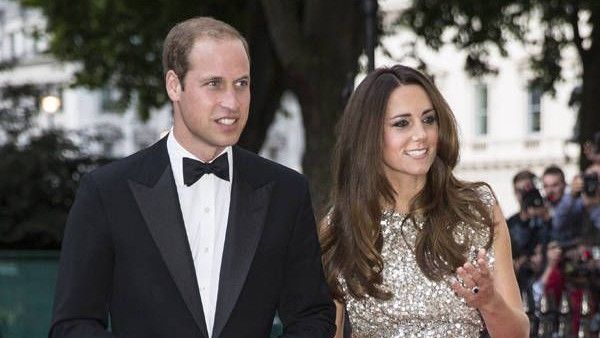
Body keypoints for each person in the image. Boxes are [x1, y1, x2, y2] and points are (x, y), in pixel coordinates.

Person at [49, 17, 335, 338]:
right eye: (214, 83)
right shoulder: (107, 192)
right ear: (174, 85)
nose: (232, 102)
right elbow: (73, 324)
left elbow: (312, 315)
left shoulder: (286, 191)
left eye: (241, 83)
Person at [319, 65, 529, 337]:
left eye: (428, 120)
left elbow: (519, 333)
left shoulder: (478, 209)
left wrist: (490, 303)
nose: (421, 134)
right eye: (402, 123)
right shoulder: (341, 225)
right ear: (368, 134)